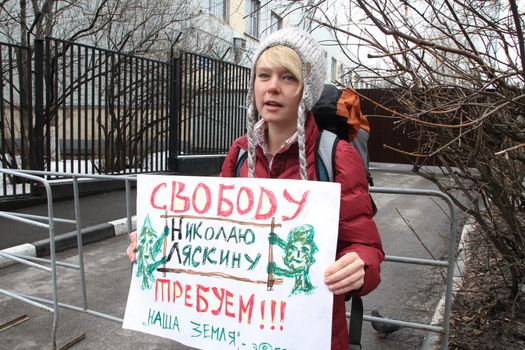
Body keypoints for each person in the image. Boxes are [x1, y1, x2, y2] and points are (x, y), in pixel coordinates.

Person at [127, 27, 384, 350]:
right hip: (241, 334)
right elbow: (212, 237)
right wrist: (158, 246)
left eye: (288, 77)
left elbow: (366, 246)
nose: (272, 87)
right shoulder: (239, 153)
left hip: (307, 335)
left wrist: (359, 265)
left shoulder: (336, 156)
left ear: (307, 89)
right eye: (264, 75)